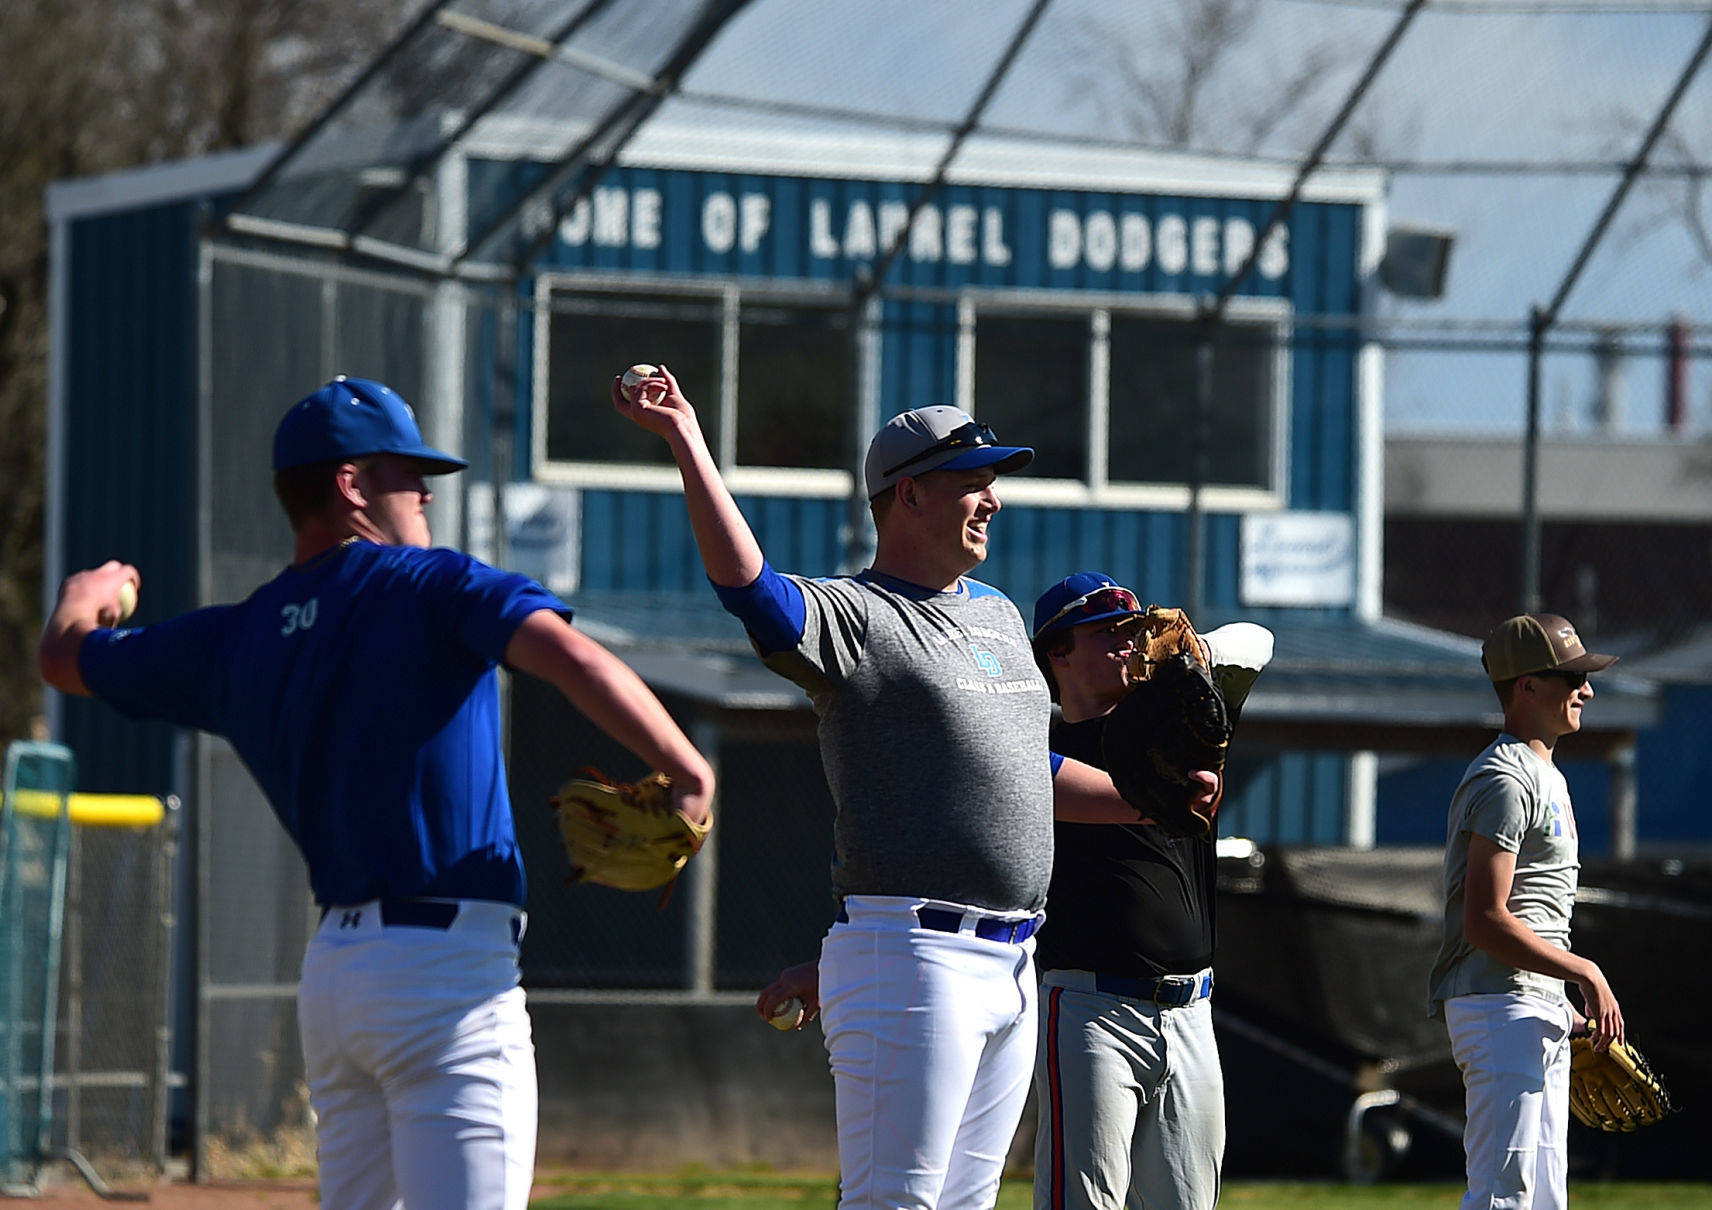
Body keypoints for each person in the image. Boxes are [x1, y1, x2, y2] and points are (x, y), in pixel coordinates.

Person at [39, 376, 714, 1210]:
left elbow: (66, 660)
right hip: (447, 975)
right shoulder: (428, 585)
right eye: (406, 472)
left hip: (337, 982)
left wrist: (81, 603)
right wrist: (687, 768)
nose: (426, 490)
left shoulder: (233, 639)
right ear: (350, 484)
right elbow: (571, 658)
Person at [615, 366, 1214, 1210]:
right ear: (908, 497)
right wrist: (687, 440)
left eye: (993, 481)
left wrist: (1147, 801)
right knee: (894, 1202)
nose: (992, 499)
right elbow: (749, 590)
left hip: (1012, 962)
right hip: (913, 953)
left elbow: (1024, 770)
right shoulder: (857, 616)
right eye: (971, 482)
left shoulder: (1001, 616)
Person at [1028, 572, 1271, 1210]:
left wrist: (1199, 655)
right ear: (1057, 652)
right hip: (1090, 1010)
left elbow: (1260, 638)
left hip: (1193, 1011)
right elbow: (1026, 782)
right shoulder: (1036, 745)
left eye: (1134, 631)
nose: (1129, 644)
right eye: (1107, 631)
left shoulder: (1181, 718)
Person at [1427, 612, 1625, 1210]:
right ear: (1527, 687)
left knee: (1542, 1200)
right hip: (1496, 1004)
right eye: (1570, 678)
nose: (1585, 689)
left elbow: (1528, 911)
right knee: (1502, 1196)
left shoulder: (1545, 774)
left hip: (1526, 1002)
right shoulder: (1506, 778)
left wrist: (1559, 1003)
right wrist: (1582, 972)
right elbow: (1484, 918)